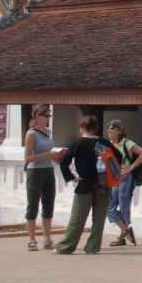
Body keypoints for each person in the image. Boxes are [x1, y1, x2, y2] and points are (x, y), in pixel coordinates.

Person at [53, 114, 124, 255]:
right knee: (99, 220)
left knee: (77, 219)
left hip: (84, 184)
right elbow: (119, 156)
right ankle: (93, 247)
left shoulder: (77, 143)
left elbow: (64, 162)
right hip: (104, 184)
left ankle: (66, 247)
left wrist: (72, 177)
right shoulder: (104, 142)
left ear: (82, 127)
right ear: (96, 128)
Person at [22, 106, 63, 250]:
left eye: (49, 116)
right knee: (33, 205)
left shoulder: (48, 132)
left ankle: (47, 238)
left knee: (48, 204)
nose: (47, 119)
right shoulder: (31, 134)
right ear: (37, 116)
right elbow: (28, 158)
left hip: (48, 170)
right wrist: (47, 155)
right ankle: (32, 239)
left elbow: (49, 151)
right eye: (45, 116)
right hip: (35, 172)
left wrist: (55, 156)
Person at [105, 119, 142, 246]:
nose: (109, 131)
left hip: (126, 177)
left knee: (124, 206)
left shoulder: (127, 143)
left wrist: (131, 167)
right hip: (116, 177)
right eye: (109, 128)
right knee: (109, 206)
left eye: (112, 129)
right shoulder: (111, 144)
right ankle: (126, 230)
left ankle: (122, 237)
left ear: (119, 131)